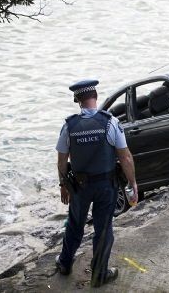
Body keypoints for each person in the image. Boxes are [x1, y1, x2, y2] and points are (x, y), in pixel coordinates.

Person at [55, 79, 138, 287]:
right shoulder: (111, 122)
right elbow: (125, 157)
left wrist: (63, 185)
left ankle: (65, 263)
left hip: (79, 187)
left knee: (75, 225)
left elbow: (62, 161)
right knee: (103, 229)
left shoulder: (69, 126)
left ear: (77, 100)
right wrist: (132, 183)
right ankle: (99, 274)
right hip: (105, 186)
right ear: (96, 97)